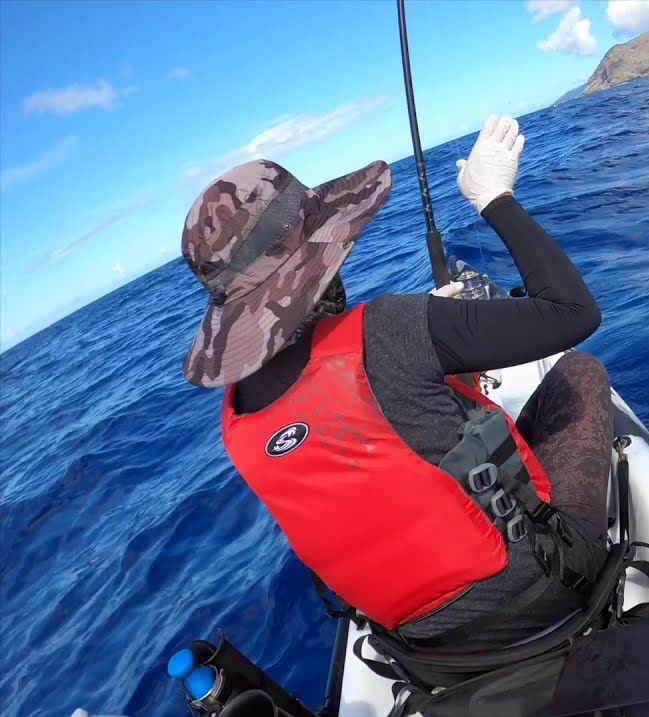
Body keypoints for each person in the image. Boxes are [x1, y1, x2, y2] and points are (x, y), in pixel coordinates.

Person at [180, 115, 613, 650]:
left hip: (422, 651)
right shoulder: (390, 328)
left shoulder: (238, 418)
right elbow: (573, 312)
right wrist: (494, 198)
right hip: (537, 594)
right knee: (579, 373)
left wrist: (429, 344)